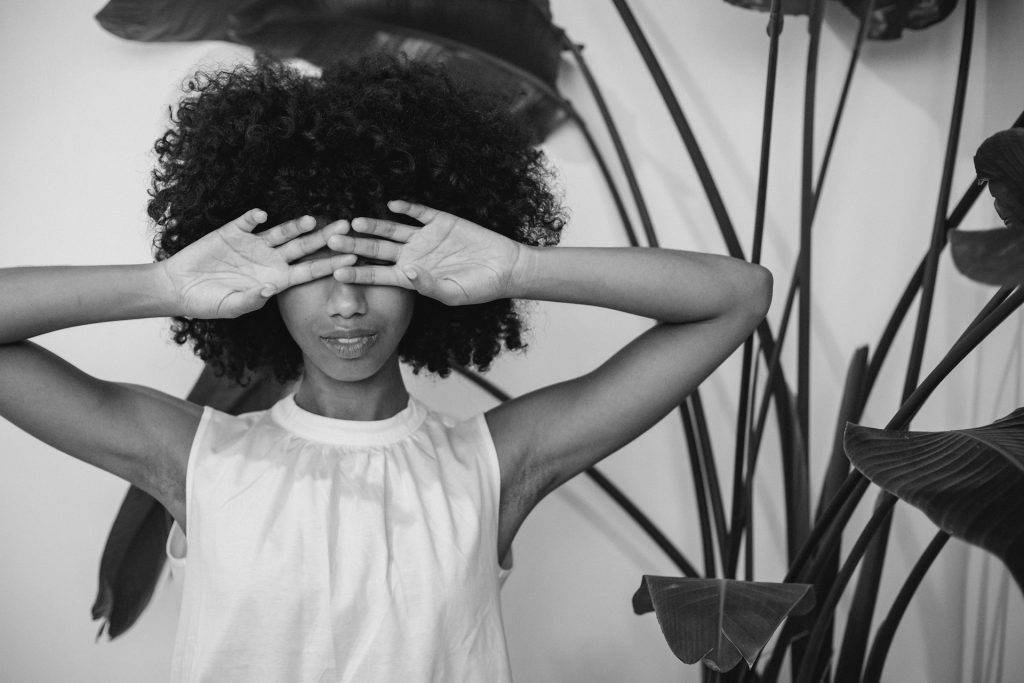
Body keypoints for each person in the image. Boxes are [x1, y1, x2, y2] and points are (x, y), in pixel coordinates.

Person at [0, 56, 771, 682]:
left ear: (427, 275)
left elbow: (737, 297)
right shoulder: (195, 459)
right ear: (262, 279)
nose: (345, 303)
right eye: (312, 267)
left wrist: (515, 267)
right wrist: (165, 285)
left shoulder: (494, 465)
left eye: (377, 263)